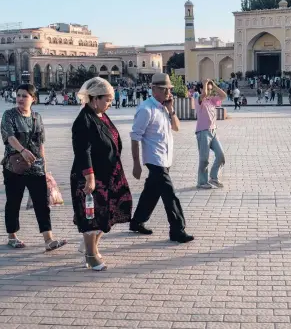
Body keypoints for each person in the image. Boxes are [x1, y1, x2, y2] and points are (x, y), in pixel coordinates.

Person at [71, 77, 133, 271]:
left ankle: (92, 247)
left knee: (106, 214)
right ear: (94, 98)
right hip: (91, 177)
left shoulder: (100, 115)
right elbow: (83, 151)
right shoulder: (84, 120)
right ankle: (90, 255)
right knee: (92, 217)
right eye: (107, 99)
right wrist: (89, 177)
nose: (110, 103)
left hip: (109, 175)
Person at [0, 84, 67, 250]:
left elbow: (41, 143)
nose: (20, 99)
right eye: (19, 95)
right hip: (14, 166)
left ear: (33, 99)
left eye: (25, 96)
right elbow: (9, 137)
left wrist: (44, 165)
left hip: (36, 166)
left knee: (41, 203)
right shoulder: (9, 115)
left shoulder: (37, 117)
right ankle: (12, 235)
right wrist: (22, 151)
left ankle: (48, 239)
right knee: (13, 201)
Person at [129, 73, 194, 243]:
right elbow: (135, 136)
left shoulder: (164, 108)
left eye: (169, 90)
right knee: (170, 195)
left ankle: (137, 222)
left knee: (151, 192)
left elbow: (176, 127)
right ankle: (177, 230)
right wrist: (136, 163)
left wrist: (171, 109)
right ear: (155, 89)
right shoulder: (146, 109)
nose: (168, 93)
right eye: (165, 90)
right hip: (154, 159)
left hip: (166, 158)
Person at [195, 79, 227, 189]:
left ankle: (213, 178)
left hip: (213, 131)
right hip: (203, 131)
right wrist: (205, 84)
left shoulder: (212, 100)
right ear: (201, 89)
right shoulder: (199, 100)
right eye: (207, 89)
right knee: (204, 159)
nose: (209, 92)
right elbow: (203, 94)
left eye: (210, 90)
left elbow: (224, 95)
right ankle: (202, 182)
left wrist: (214, 86)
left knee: (221, 155)